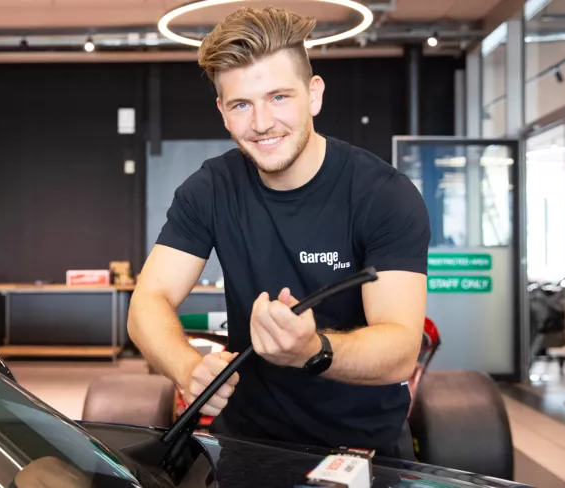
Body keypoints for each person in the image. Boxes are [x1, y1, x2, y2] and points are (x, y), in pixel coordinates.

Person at [128, 6, 430, 456]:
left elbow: (401, 349)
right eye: (241, 105)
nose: (262, 122)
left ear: (314, 95)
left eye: (279, 97)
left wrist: (312, 349)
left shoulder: (383, 194)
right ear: (223, 112)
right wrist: (187, 366)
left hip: (362, 450)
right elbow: (148, 301)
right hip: (245, 444)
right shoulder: (210, 189)